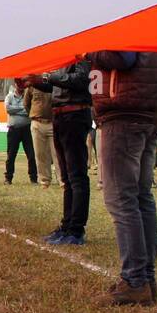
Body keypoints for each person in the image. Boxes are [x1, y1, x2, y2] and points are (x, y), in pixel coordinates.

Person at [85, 51, 157, 306]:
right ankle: (146, 279)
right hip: (148, 109)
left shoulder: (122, 19)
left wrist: (90, 49)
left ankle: (135, 281)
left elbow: (123, 57)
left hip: (124, 111)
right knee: (141, 197)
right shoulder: (155, 17)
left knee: (121, 199)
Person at [30, 61, 92, 245]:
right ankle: (67, 226)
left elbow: (81, 79)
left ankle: (76, 230)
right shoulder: (64, 58)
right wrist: (34, 81)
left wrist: (48, 76)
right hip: (61, 116)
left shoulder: (81, 54)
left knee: (76, 176)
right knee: (67, 177)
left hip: (75, 115)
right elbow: (55, 86)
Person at [3, 80, 36, 185]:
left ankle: (33, 178)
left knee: (31, 155)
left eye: (23, 85)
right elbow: (8, 109)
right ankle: (8, 178)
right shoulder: (9, 96)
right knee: (11, 155)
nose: (21, 87)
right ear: (15, 85)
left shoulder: (29, 95)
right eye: (19, 84)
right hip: (14, 130)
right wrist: (23, 108)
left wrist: (16, 110)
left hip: (27, 129)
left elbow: (30, 111)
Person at [27, 83, 58, 188]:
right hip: (37, 122)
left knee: (57, 153)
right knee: (40, 154)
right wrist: (35, 115)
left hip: (54, 123)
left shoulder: (55, 82)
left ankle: (62, 180)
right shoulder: (32, 85)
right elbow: (26, 103)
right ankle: (44, 180)